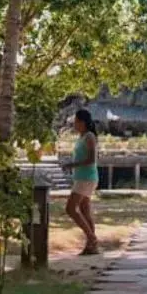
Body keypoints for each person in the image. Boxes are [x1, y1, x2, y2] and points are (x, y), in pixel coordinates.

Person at [66, 109, 101, 256]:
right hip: (81, 177)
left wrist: (73, 165)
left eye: (76, 122)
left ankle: (92, 238)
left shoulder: (89, 136)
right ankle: (91, 247)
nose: (74, 124)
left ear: (82, 122)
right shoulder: (81, 137)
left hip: (86, 177)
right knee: (85, 210)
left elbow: (91, 159)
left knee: (70, 209)